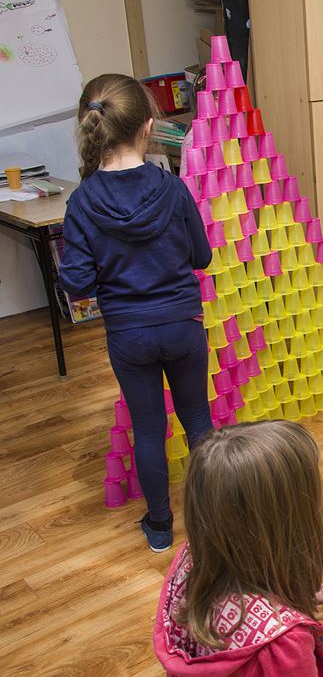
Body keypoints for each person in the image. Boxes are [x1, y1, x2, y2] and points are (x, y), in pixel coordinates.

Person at [60, 74, 214, 552]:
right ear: (148, 127)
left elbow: (78, 284)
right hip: (182, 325)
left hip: (129, 335)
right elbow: (201, 256)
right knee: (198, 421)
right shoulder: (172, 188)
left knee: (149, 428)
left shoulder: (82, 201)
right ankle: (216, 524)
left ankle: (161, 528)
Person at [153, 421, 323, 676]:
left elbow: (245, 580)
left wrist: (312, 593)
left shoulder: (193, 556)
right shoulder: (283, 645)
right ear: (293, 524)